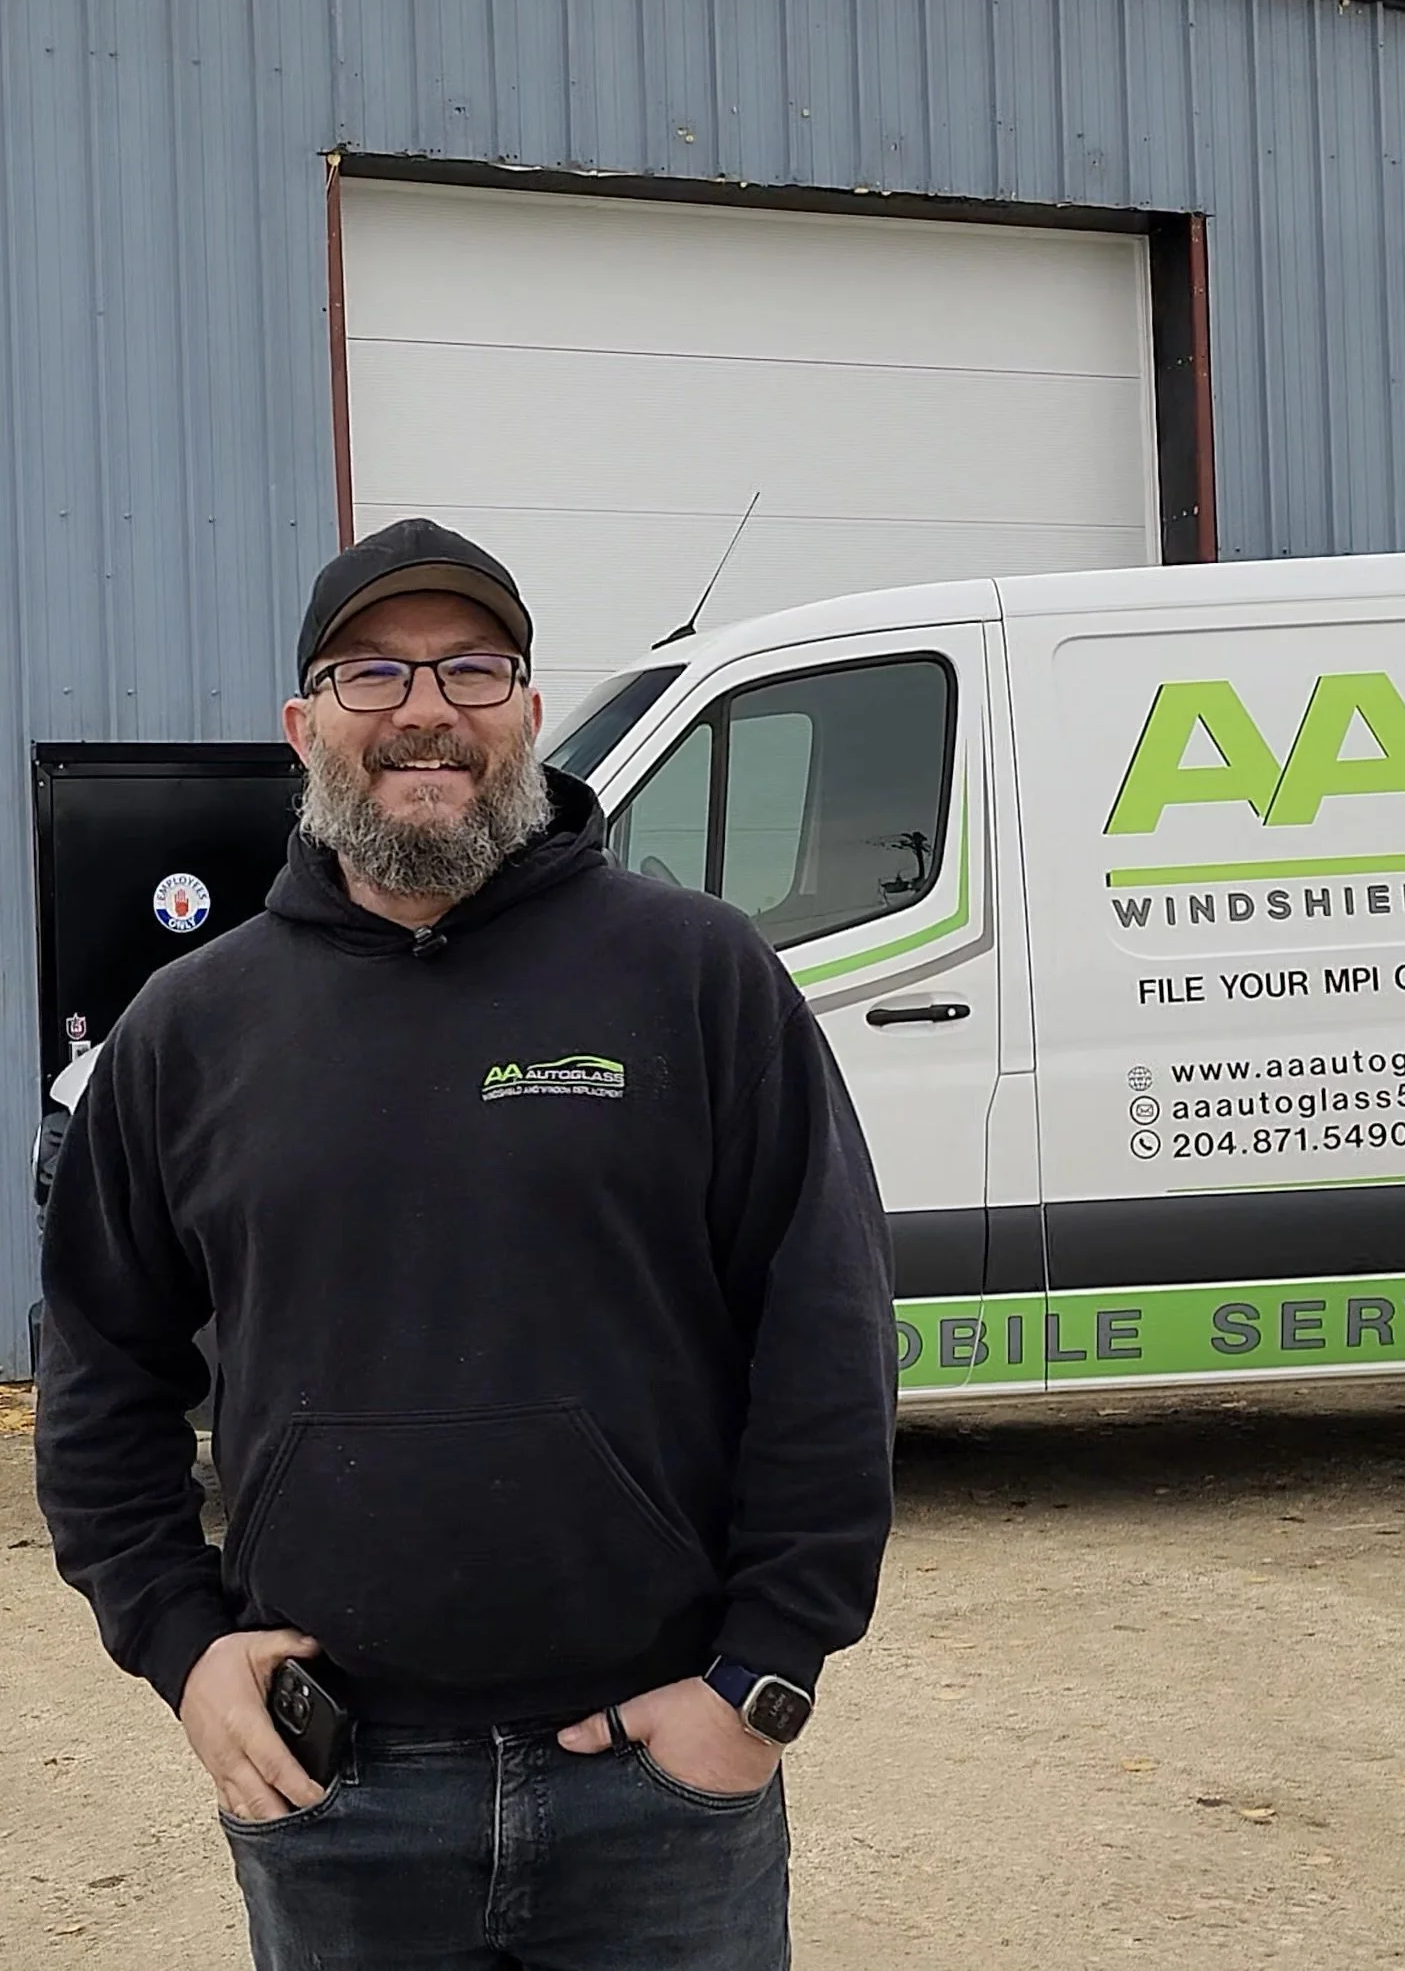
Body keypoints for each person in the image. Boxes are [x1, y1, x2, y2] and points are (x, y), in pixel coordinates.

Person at [35, 518, 896, 1970]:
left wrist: (761, 1680)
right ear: (305, 724)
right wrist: (183, 1654)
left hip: (658, 1786)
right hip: (339, 1789)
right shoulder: (190, 1030)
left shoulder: (697, 977)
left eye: (473, 669)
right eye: (373, 673)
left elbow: (826, 1338)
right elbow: (99, 1373)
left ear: (531, 715)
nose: (425, 708)